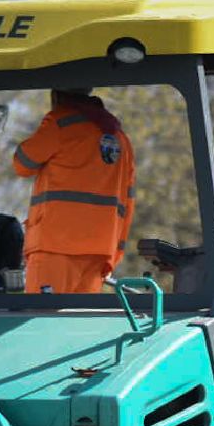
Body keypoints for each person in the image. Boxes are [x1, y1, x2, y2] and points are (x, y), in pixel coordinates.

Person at [10, 88, 135, 294]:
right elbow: (127, 204)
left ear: (57, 96)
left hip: (55, 246)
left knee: (41, 322)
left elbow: (22, 164)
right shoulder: (121, 139)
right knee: (79, 324)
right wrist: (115, 255)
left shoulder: (61, 123)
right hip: (100, 252)